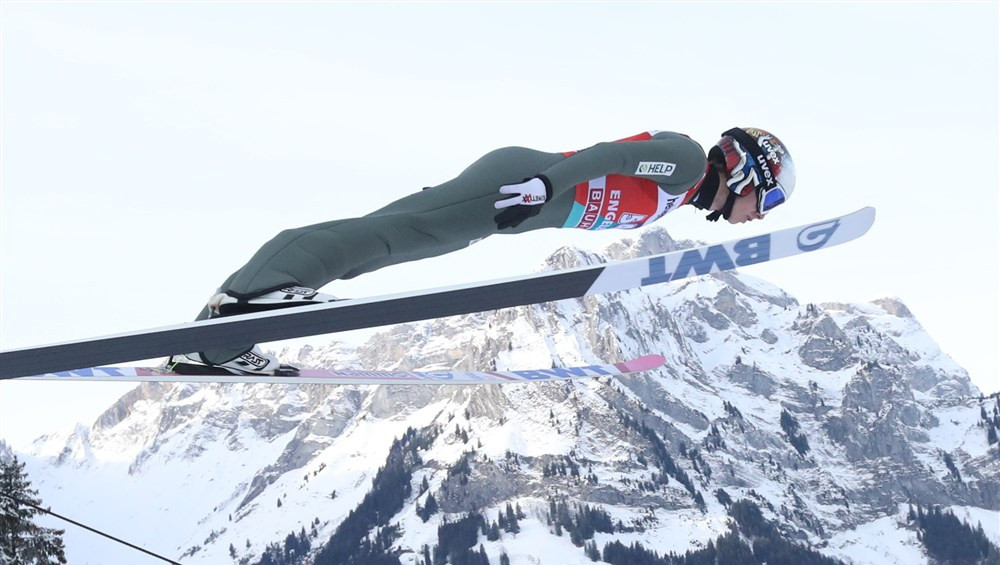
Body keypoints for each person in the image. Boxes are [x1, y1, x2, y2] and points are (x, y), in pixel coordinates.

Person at [178, 127, 795, 375]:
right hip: (516, 186)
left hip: (518, 204)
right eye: (763, 201)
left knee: (390, 240)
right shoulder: (686, 162)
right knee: (396, 236)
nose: (758, 216)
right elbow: (609, 156)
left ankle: (223, 330)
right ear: (745, 173)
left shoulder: (680, 197)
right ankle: (245, 305)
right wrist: (544, 186)